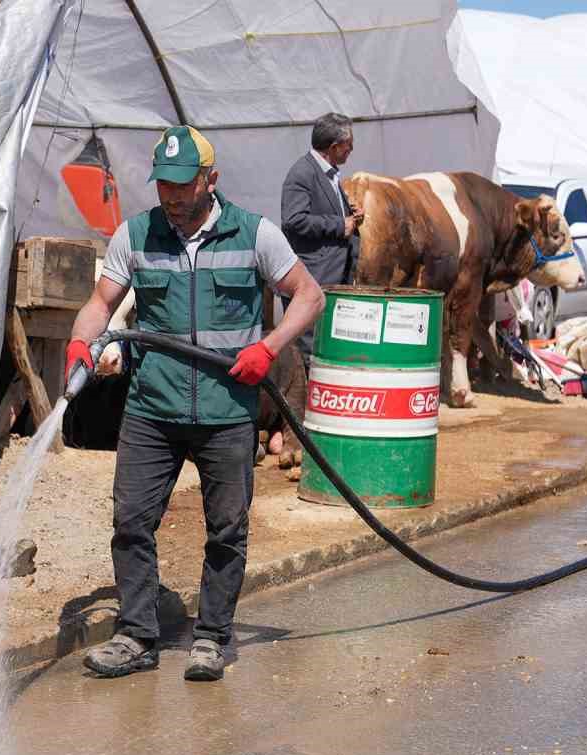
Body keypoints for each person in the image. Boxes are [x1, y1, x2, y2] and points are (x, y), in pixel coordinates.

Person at [63, 126, 325, 682]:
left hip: (227, 410)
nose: (174, 197)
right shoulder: (135, 235)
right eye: (165, 185)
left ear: (211, 180)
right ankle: (136, 636)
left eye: (185, 185)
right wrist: (82, 342)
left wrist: (269, 347)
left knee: (226, 528)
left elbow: (310, 295)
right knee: (131, 522)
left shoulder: (255, 235)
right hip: (151, 408)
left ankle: (211, 637)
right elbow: (100, 302)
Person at [279, 112, 363, 355]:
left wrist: (350, 213)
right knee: (309, 350)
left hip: (332, 276)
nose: (352, 149)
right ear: (334, 146)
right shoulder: (302, 173)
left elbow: (322, 210)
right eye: (349, 144)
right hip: (312, 276)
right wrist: (339, 224)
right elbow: (294, 220)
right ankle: (304, 393)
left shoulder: (330, 173)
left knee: (327, 348)